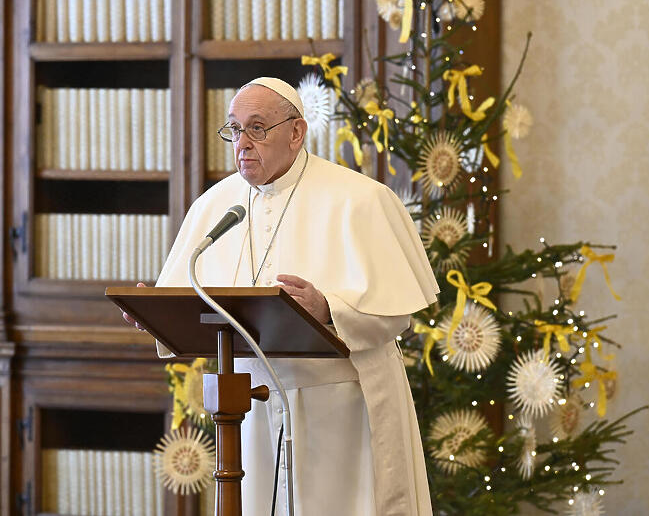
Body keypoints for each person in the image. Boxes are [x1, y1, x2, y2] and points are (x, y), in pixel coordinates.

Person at [124, 77, 439, 516]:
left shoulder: (359, 200)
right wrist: (158, 312)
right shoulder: (215, 206)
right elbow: (191, 296)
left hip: (341, 411)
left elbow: (395, 314)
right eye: (235, 129)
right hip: (250, 414)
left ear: (296, 132)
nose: (243, 143)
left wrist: (327, 307)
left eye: (257, 128)